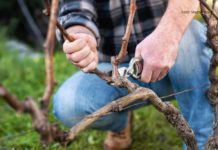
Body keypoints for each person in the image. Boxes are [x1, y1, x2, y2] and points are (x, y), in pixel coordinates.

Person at [53, 0, 214, 149]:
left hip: (176, 58)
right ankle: (120, 123)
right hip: (115, 69)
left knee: (190, 37)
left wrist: (169, 35)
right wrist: (81, 37)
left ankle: (202, 140)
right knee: (68, 104)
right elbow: (75, 9)